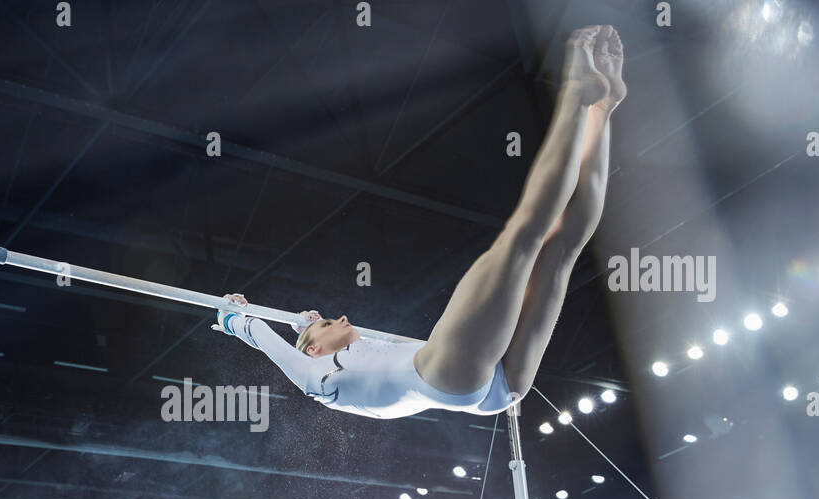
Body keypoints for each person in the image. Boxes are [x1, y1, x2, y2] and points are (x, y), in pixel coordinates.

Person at [215, 25, 624, 419]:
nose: (341, 318)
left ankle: (601, 111)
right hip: (448, 374)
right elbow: (270, 342)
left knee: (561, 248)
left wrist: (307, 324)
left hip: (491, 389)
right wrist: (235, 318)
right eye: (327, 323)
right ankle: (574, 96)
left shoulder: (355, 357)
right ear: (312, 351)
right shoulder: (318, 379)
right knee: (520, 239)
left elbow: (328, 340)